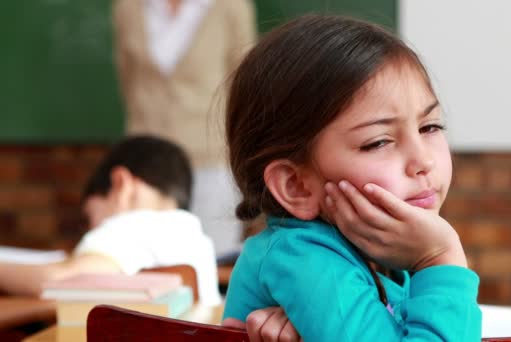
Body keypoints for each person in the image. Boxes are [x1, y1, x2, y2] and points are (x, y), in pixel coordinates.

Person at [221, 15, 482, 340]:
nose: (423, 160)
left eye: (429, 127)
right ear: (296, 186)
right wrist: (441, 258)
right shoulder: (303, 257)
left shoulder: (382, 251)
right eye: (379, 142)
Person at [0, 135, 221, 306]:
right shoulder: (194, 234)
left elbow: (56, 281)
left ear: (120, 184)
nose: (91, 230)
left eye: (90, 217)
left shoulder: (128, 227)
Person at [112, 0, 258, 258]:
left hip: (211, 157)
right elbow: (127, 77)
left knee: (213, 260)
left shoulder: (230, 6)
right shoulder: (129, 7)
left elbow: (245, 81)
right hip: (147, 161)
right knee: (146, 260)